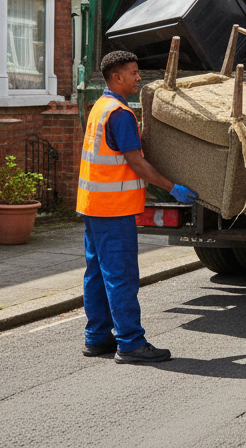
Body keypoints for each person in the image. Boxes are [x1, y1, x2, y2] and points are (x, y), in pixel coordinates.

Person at [79, 50, 197, 364]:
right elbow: (137, 163)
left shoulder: (99, 108)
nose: (138, 77)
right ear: (117, 77)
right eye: (133, 73)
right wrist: (173, 188)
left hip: (92, 205)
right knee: (121, 276)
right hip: (113, 208)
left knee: (97, 274)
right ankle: (130, 343)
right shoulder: (120, 114)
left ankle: (97, 337)